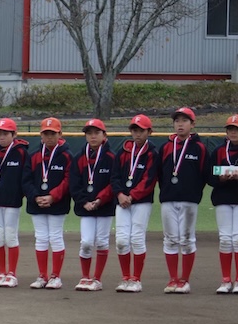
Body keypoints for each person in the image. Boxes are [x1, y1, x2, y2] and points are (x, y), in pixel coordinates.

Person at [157, 106, 210, 294]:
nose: (180, 124)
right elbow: (159, 173)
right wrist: (167, 190)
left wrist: (194, 191)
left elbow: (205, 174)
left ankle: (185, 280)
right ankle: (173, 279)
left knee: (187, 239)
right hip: (168, 199)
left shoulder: (199, 148)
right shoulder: (166, 147)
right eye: (177, 121)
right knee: (170, 239)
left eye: (184, 121)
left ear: (192, 124)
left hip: (189, 200)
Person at [110, 114, 160, 293]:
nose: (137, 134)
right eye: (134, 130)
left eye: (141, 131)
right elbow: (114, 176)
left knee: (137, 238)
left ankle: (136, 279)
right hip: (122, 201)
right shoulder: (123, 151)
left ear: (149, 132)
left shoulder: (152, 153)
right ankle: (125, 278)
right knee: (121, 240)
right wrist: (120, 194)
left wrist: (131, 196)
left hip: (141, 202)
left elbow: (149, 180)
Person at [22, 117, 73, 289]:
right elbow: (26, 180)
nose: (49, 137)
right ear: (41, 135)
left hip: (57, 203)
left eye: (53, 133)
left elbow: (68, 180)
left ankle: (55, 276)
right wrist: (35, 197)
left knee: (55, 237)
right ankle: (42, 276)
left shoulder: (67, 156)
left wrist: (52, 196)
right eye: (46, 134)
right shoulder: (34, 155)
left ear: (60, 134)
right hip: (37, 203)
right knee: (41, 238)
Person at [69, 118, 116, 291]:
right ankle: (85, 277)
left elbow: (114, 182)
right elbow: (74, 183)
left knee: (102, 242)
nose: (93, 136)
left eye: (97, 133)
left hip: (104, 206)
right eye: (89, 133)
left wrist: (100, 199)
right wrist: (84, 202)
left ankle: (97, 279)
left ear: (104, 135)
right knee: (87, 242)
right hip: (86, 207)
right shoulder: (79, 157)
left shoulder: (111, 157)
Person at [0, 118, 30, 287]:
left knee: (10, 236)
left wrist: (21, 194)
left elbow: (25, 176)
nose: (2, 137)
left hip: (12, 201)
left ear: (14, 134)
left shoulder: (21, 152)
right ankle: (1, 272)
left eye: (5, 134)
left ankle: (12, 274)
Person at [207, 114, 238, 294]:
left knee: (237, 239)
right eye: (230, 129)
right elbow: (210, 177)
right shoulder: (219, 151)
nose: (233, 132)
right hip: (223, 199)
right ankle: (226, 280)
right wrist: (221, 178)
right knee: (226, 239)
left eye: (236, 129)